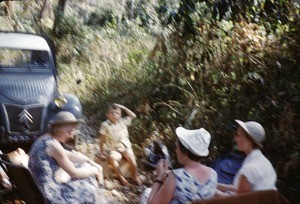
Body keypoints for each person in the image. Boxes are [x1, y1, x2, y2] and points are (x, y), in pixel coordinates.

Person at [28, 111, 104, 204]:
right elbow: (74, 174)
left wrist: (89, 161)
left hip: (37, 189)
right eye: (69, 131)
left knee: (83, 167)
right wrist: (95, 170)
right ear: (57, 129)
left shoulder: (43, 139)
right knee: (88, 184)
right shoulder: (54, 146)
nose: (71, 136)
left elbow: (67, 154)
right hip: (50, 195)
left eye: (73, 131)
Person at [141, 127, 218, 204]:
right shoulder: (213, 175)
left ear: (184, 151)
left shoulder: (177, 176)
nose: (176, 150)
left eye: (177, 147)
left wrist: (159, 177)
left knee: (146, 193)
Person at [216, 120, 277, 196]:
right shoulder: (265, 162)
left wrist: (213, 191)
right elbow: (239, 188)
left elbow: (238, 200)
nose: (235, 139)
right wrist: (214, 185)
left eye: (238, 135)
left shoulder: (250, 169)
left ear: (249, 141)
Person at [97, 103, 141, 186]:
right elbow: (102, 139)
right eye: (111, 113)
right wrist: (101, 150)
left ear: (120, 115)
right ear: (107, 115)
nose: (114, 115)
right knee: (112, 158)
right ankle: (121, 178)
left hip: (125, 146)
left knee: (131, 157)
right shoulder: (105, 125)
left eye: (116, 113)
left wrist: (123, 107)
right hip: (114, 148)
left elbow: (134, 116)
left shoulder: (123, 121)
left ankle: (135, 176)